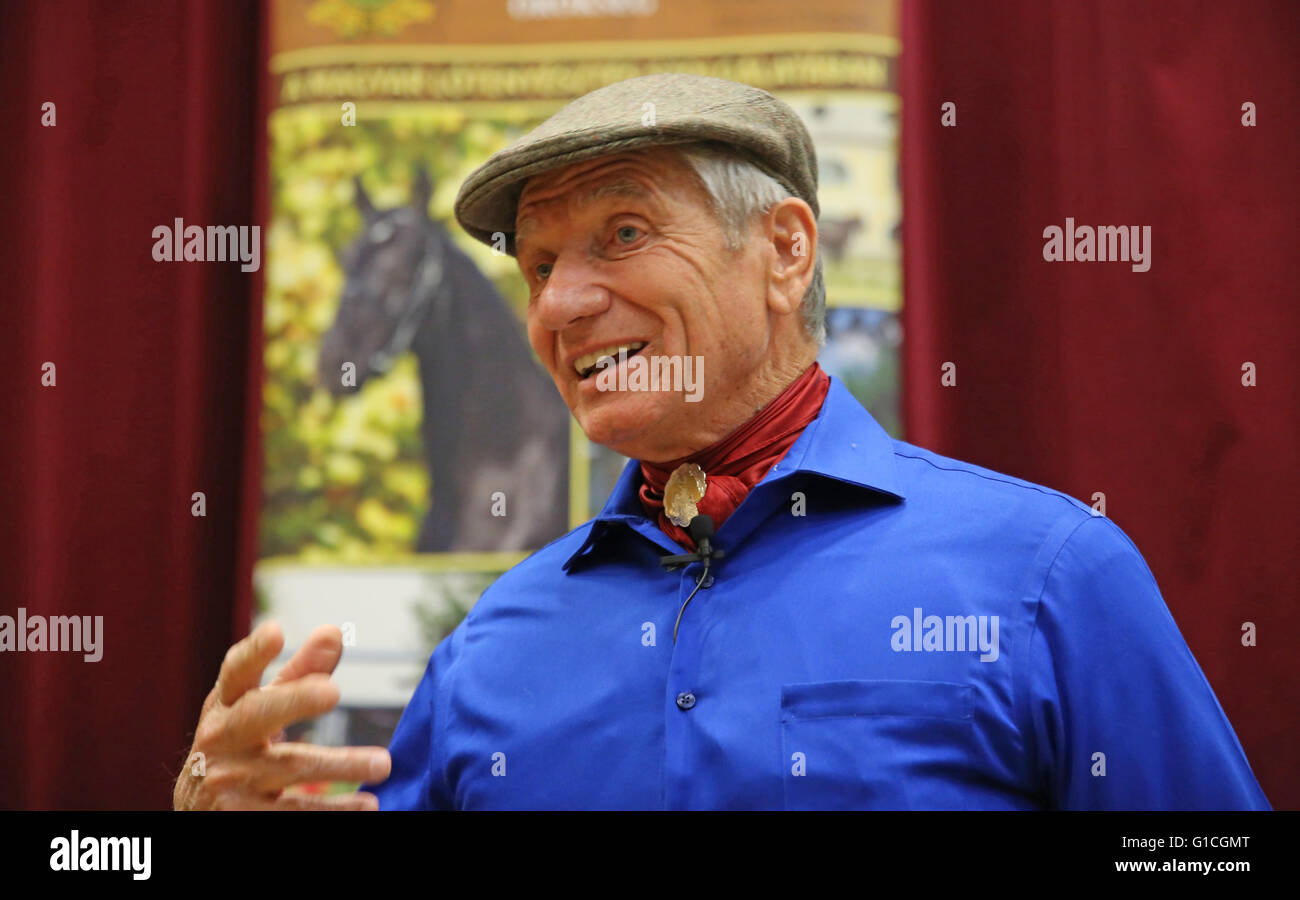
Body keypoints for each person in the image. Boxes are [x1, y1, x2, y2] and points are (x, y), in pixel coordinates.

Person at [174, 73, 1270, 810]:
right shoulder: (488, 648)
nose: (564, 301)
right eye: (540, 263)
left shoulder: (1046, 576)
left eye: (624, 233)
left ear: (785, 250)